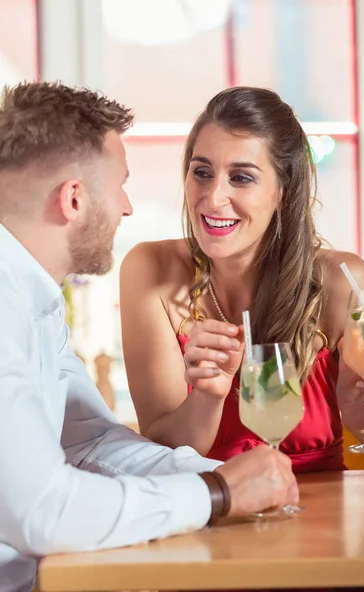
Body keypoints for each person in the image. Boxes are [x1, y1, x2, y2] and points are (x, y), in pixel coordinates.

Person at [0, 82, 299, 592]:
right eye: (119, 185)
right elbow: (43, 511)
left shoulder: (37, 301)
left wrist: (224, 476)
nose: (127, 207)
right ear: (73, 199)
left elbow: (92, 439)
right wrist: (216, 493)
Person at [120, 86, 364, 471]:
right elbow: (161, 455)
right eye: (202, 172)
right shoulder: (150, 270)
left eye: (241, 177)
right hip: (207, 517)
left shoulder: (341, 281)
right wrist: (208, 396)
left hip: (322, 523)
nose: (214, 197)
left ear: (282, 192)